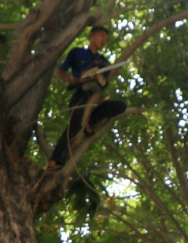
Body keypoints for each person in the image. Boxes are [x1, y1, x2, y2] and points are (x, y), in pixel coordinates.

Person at [48, 25, 128, 168]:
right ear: (92, 35)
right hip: (80, 97)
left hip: (95, 100)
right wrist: (70, 79)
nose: (104, 40)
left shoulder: (103, 60)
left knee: (120, 106)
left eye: (106, 39)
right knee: (76, 122)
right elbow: (61, 70)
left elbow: (107, 77)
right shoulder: (77, 53)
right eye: (102, 36)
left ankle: (90, 122)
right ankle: (56, 159)